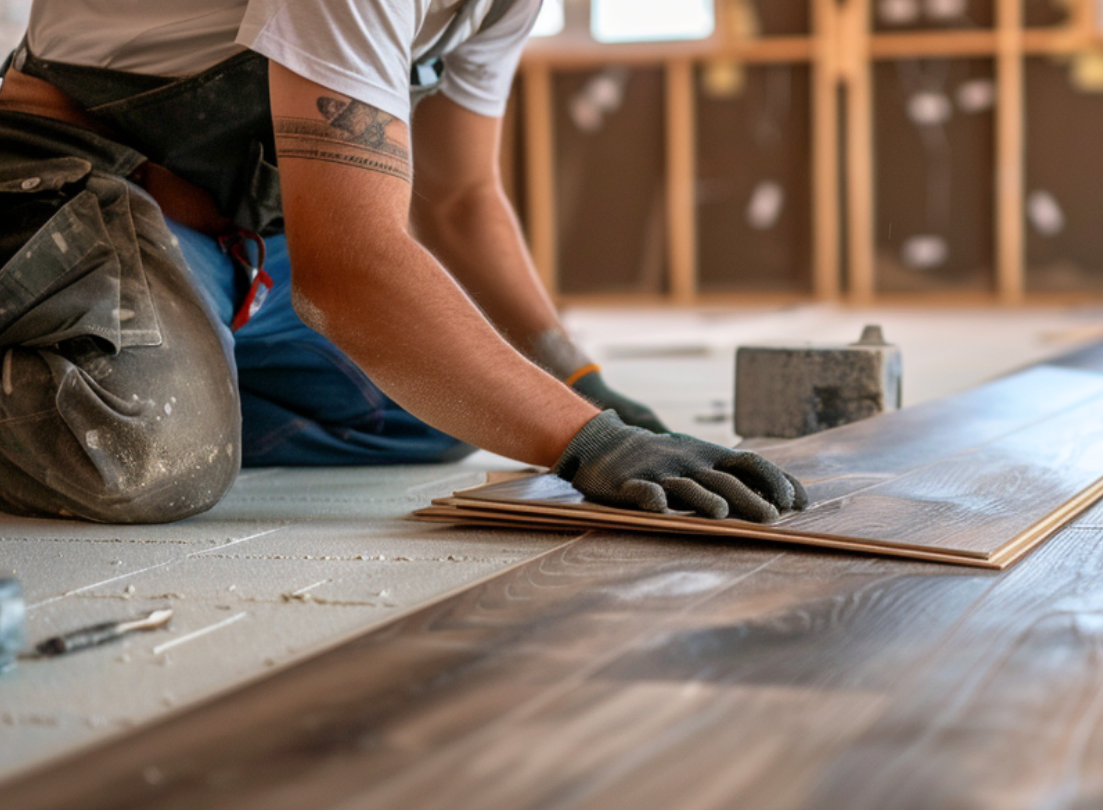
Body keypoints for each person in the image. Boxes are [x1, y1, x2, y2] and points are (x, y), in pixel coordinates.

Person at [0, 0, 806, 525]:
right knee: (150, 454)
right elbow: (348, 272)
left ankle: (184, 362)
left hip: (239, 244)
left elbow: (459, 198)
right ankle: (143, 385)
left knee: (440, 402)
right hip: (68, 183)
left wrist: (575, 380)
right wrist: (590, 441)